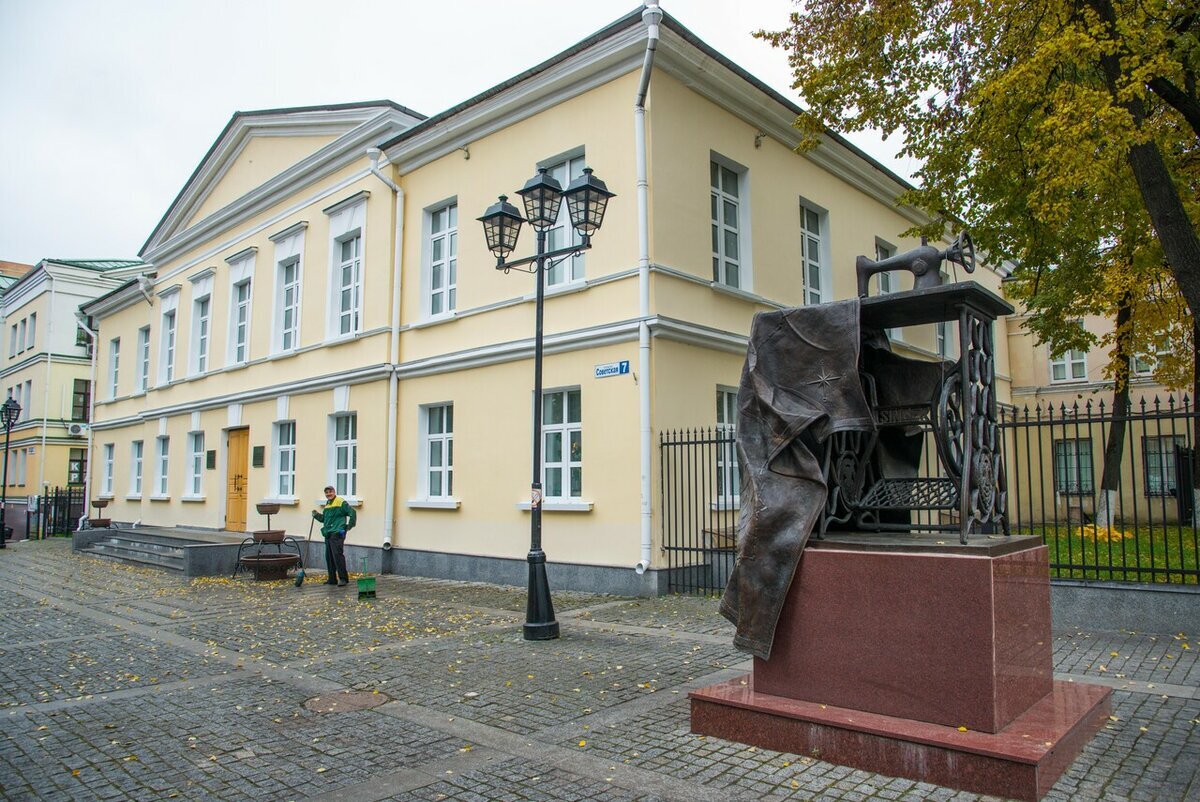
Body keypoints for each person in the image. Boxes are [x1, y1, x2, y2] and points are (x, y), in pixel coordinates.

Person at [312, 485, 355, 586]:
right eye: (327, 492)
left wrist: (348, 526)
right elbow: (324, 519)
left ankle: (343, 579)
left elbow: (353, 513)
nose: (329, 494)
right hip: (328, 533)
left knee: (337, 556)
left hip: (337, 533)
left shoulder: (340, 502)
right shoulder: (328, 504)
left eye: (330, 492)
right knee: (329, 557)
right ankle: (332, 579)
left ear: (334, 492)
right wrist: (316, 515)